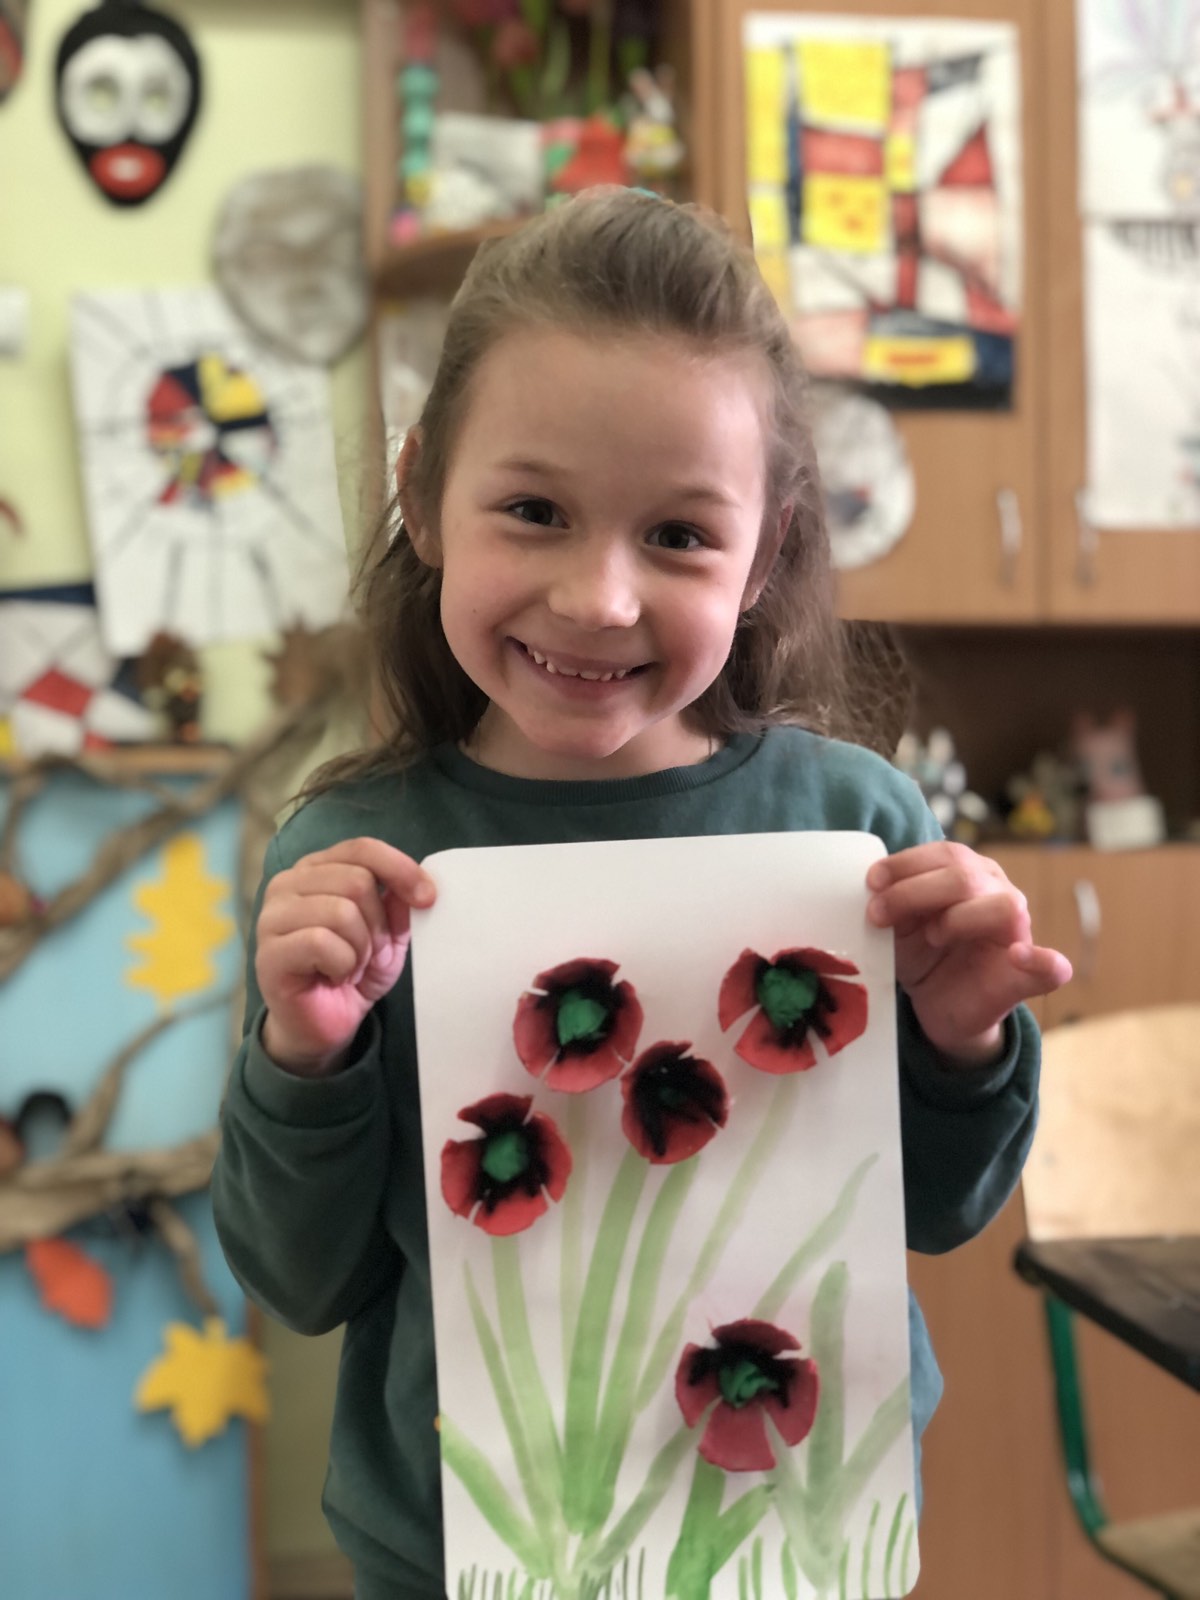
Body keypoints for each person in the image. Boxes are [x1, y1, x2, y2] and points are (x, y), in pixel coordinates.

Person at [211, 188, 1072, 1600]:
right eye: (533, 511)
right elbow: (298, 1281)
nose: (600, 598)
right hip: (457, 1551)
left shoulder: (854, 830)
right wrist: (305, 1060)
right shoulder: (357, 858)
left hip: (792, 1533)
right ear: (422, 497)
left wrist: (962, 1043)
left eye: (677, 534)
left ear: (766, 550)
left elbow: (934, 1212)